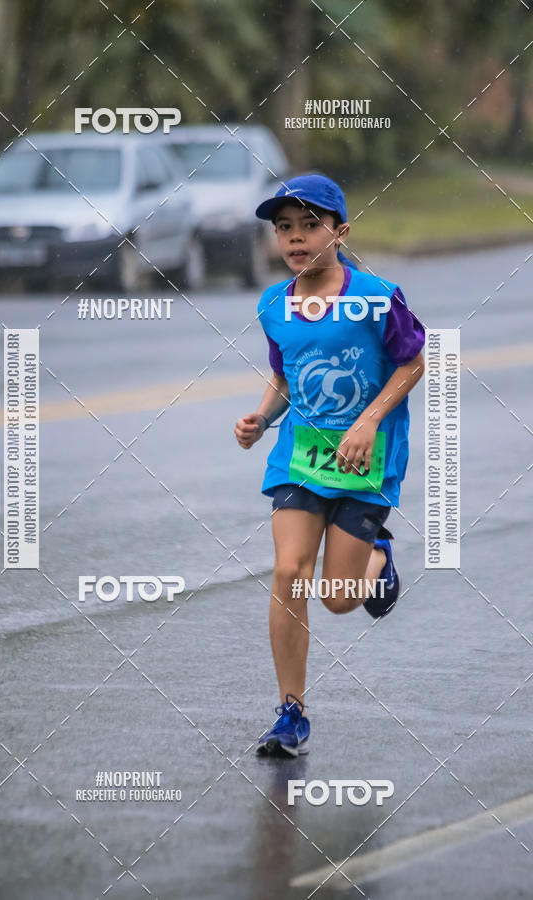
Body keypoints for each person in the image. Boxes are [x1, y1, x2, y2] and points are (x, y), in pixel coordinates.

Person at [234, 174, 425, 757]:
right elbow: (286, 376)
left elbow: (414, 362)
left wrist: (368, 421)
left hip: (367, 464)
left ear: (340, 231)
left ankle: (377, 555)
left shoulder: (376, 295)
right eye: (284, 228)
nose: (294, 238)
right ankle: (291, 712)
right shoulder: (274, 304)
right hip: (299, 459)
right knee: (289, 570)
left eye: (309, 225)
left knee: (339, 597)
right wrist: (262, 417)